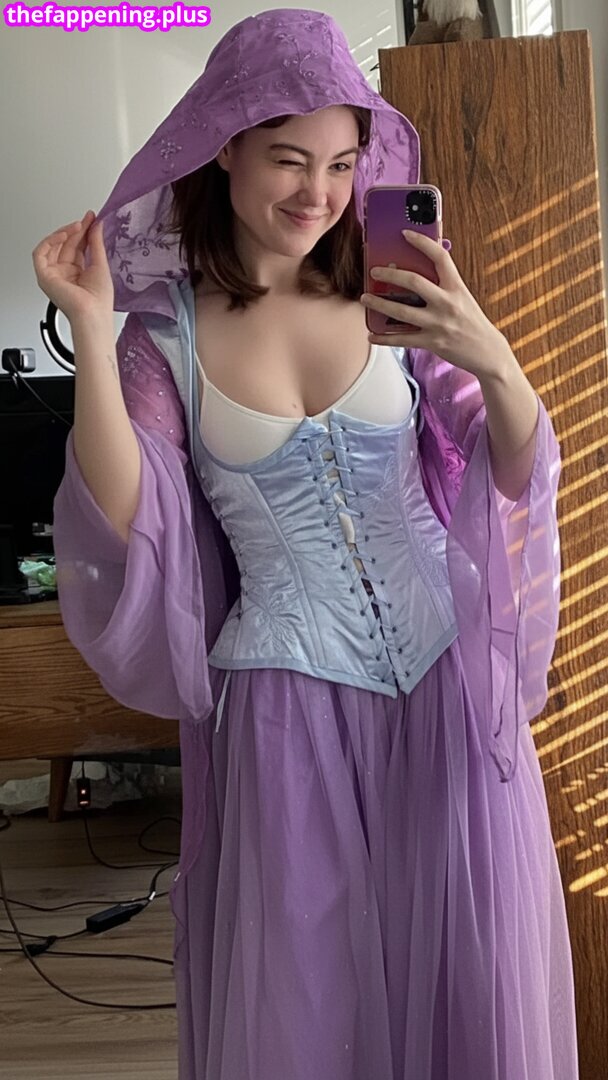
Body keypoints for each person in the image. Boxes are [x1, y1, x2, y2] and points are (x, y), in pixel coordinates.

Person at [32, 9, 578, 1078]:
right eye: (288, 159)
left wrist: (494, 358)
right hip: (286, 716)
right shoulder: (164, 335)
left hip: (444, 687)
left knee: (467, 986)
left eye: (339, 163)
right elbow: (126, 512)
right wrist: (92, 333)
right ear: (223, 146)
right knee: (311, 1004)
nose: (317, 193)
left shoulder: (396, 290)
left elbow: (513, 469)